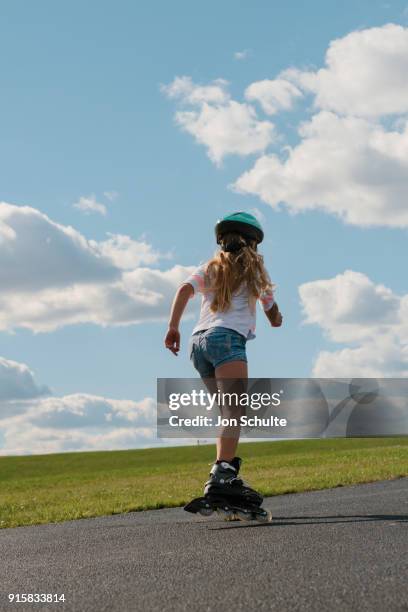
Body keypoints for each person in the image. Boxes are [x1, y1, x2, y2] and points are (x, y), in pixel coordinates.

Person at [164, 212, 283, 507]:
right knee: (234, 414)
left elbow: (183, 291)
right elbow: (272, 311)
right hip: (227, 340)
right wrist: (277, 318)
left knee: (227, 414)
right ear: (253, 243)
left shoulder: (210, 268)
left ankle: (223, 474)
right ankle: (223, 477)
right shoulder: (256, 272)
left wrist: (173, 327)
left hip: (197, 344)